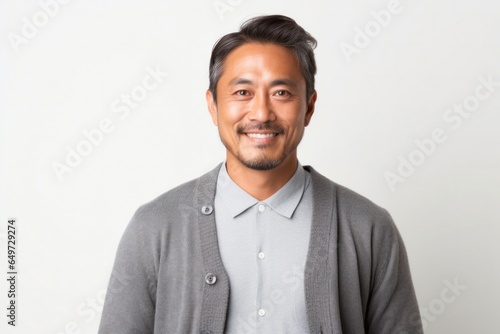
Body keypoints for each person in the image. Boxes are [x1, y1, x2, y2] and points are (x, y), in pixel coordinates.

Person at [98, 15, 423, 334]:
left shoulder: (368, 227)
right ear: (212, 106)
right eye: (242, 93)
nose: (262, 113)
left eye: (281, 93)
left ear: (308, 107)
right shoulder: (154, 227)